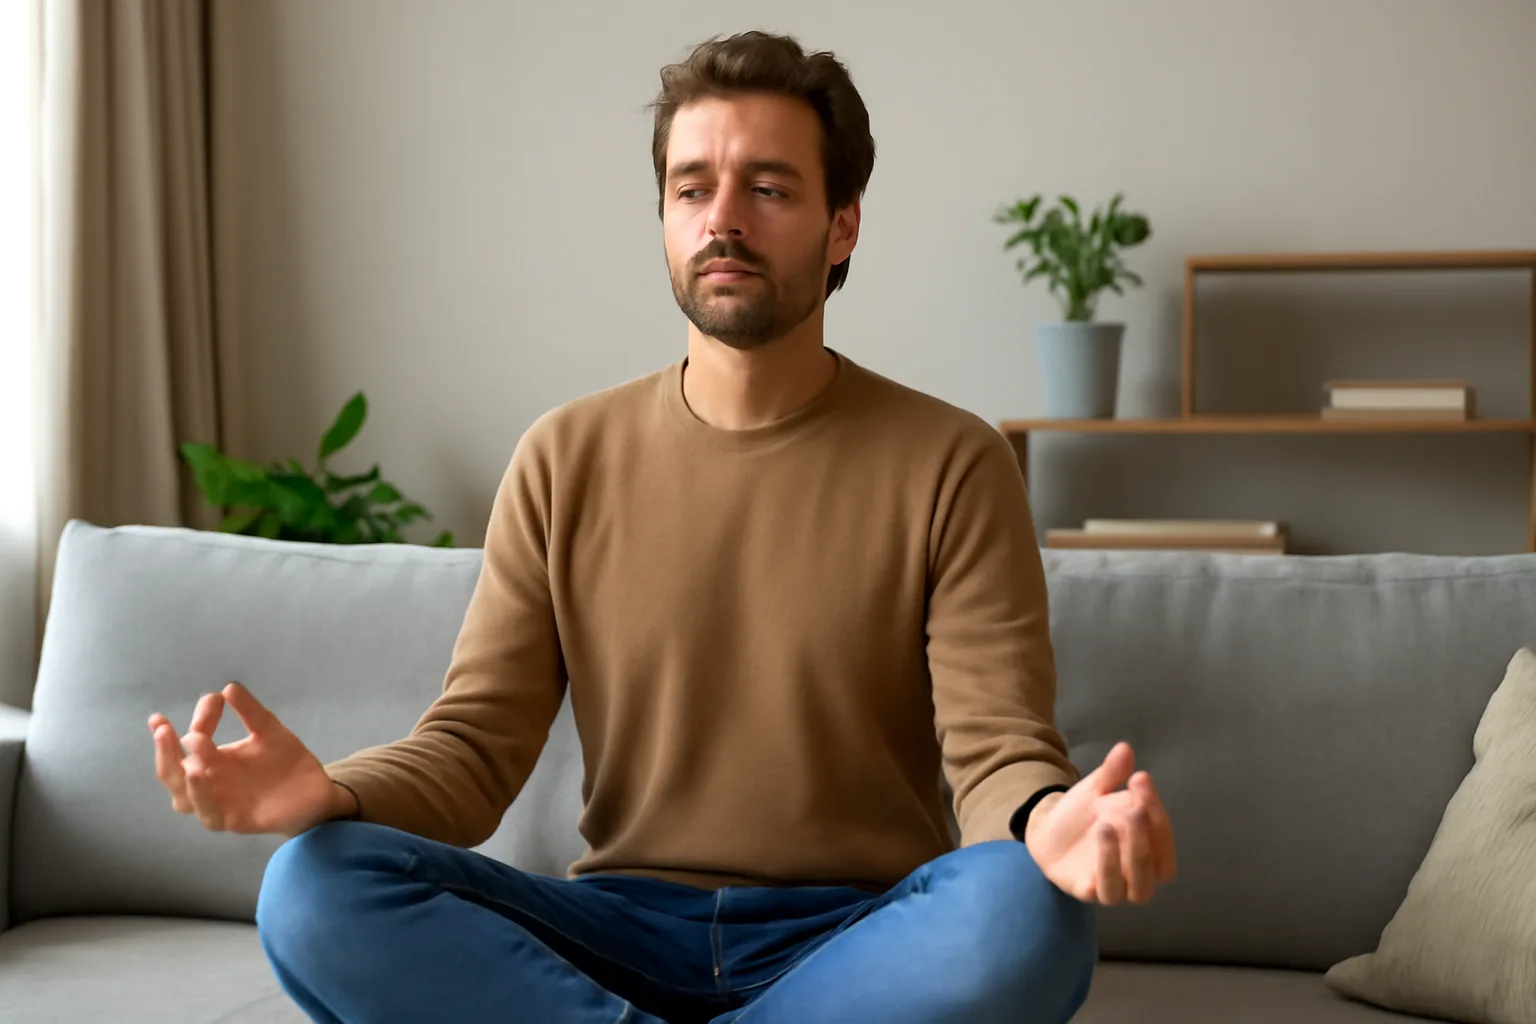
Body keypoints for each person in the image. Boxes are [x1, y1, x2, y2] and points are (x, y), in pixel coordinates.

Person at [148, 29, 1175, 1024]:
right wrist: (324, 794)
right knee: (314, 884)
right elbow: (471, 751)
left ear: (842, 225)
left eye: (769, 189)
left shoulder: (954, 461)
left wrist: (1050, 824)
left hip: (856, 930)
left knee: (1028, 911)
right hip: (616, 925)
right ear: (665, 217)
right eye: (692, 189)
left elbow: (998, 754)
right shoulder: (564, 454)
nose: (722, 218)